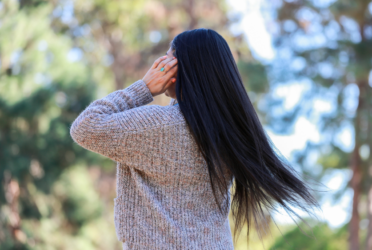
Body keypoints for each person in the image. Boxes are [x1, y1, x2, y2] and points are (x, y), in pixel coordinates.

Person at [70, 28, 318, 250]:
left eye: (168, 60)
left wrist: (144, 87)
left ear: (180, 68)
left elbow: (85, 127)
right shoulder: (226, 132)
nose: (161, 67)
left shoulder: (161, 126)